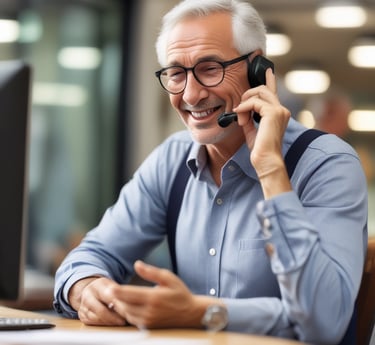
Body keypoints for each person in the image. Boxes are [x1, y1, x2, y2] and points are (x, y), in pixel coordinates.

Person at [53, 1, 368, 344]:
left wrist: (270, 169)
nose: (190, 94)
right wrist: (86, 288)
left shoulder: (327, 163)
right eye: (176, 73)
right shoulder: (171, 160)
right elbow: (89, 256)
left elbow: (324, 323)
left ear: (257, 68)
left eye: (209, 68)